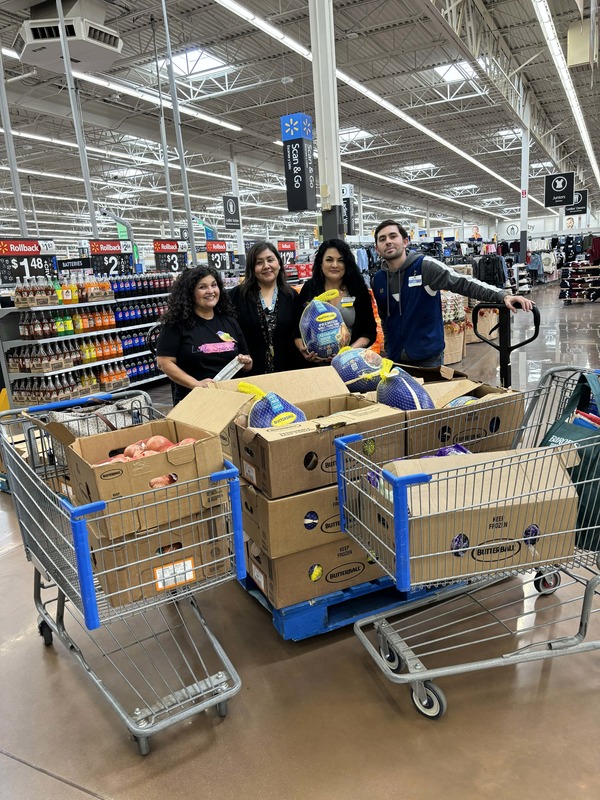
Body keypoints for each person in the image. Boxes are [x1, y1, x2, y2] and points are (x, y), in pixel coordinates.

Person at [372, 219, 534, 368]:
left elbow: (464, 283)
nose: (388, 241)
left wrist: (503, 295)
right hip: (395, 359)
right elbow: (385, 318)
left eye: (393, 236)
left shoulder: (425, 267)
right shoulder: (378, 279)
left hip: (427, 358)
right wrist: (388, 346)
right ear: (377, 248)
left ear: (405, 241)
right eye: (382, 239)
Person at [156, 266, 252, 404]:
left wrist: (245, 361)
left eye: (214, 285)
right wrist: (197, 385)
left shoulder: (229, 322)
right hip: (193, 400)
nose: (211, 291)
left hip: (229, 399)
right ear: (190, 293)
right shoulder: (176, 325)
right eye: (202, 287)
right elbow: (164, 362)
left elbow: (247, 362)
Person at [229, 241, 305, 375]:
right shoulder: (237, 296)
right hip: (250, 372)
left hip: (287, 370)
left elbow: (297, 331)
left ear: (279, 264)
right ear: (252, 268)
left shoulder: (291, 296)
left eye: (270, 260)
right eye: (259, 262)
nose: (266, 266)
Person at [295, 238, 377, 363]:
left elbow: (369, 332)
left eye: (341, 260)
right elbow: (296, 327)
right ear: (320, 262)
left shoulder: (358, 290)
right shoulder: (309, 289)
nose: (334, 265)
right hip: (315, 366)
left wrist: (347, 352)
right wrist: (302, 348)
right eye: (329, 260)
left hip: (350, 364)